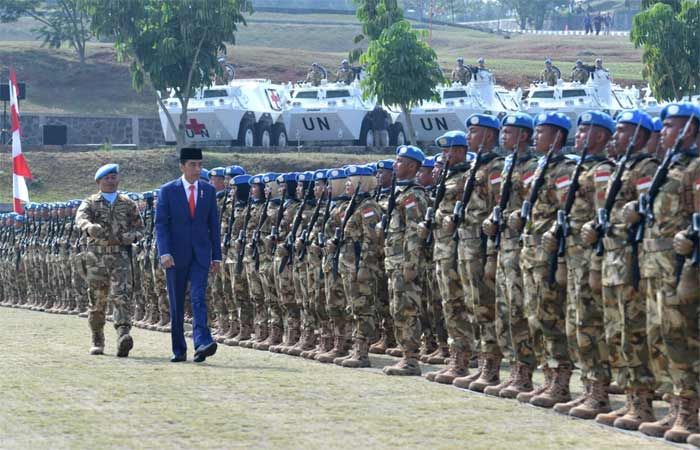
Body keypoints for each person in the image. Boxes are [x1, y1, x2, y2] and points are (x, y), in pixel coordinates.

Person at [623, 103, 700, 443]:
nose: (665, 132)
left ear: (692, 130)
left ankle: (689, 411)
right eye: (665, 126)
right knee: (658, 337)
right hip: (655, 265)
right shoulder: (667, 168)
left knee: (681, 337)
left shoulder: (696, 168)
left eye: (673, 126)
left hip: (682, 266)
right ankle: (673, 405)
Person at [155, 147, 222, 363]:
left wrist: (217, 255)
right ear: (182, 166)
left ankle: (202, 342)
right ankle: (179, 349)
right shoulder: (167, 190)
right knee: (176, 302)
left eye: (200, 165)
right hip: (175, 255)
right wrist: (164, 252)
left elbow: (214, 224)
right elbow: (161, 224)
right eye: (193, 165)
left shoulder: (208, 191)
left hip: (201, 254)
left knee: (198, 297)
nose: (197, 169)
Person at [75, 163, 145, 357]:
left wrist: (129, 238)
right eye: (107, 178)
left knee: (122, 296)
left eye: (114, 177)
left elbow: (140, 229)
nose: (111, 180)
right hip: (96, 257)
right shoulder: (90, 202)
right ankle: (97, 338)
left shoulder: (128, 203)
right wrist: (89, 227)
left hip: (120, 256)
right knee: (97, 300)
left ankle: (123, 334)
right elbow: (80, 219)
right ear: (99, 181)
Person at [382, 145, 430, 376]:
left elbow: (415, 232)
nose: (395, 165)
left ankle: (411, 359)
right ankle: (405, 355)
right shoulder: (400, 192)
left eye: (400, 161)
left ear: (412, 166)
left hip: (405, 263)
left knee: (407, 309)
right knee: (397, 309)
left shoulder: (414, 195)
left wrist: (411, 263)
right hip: (394, 261)